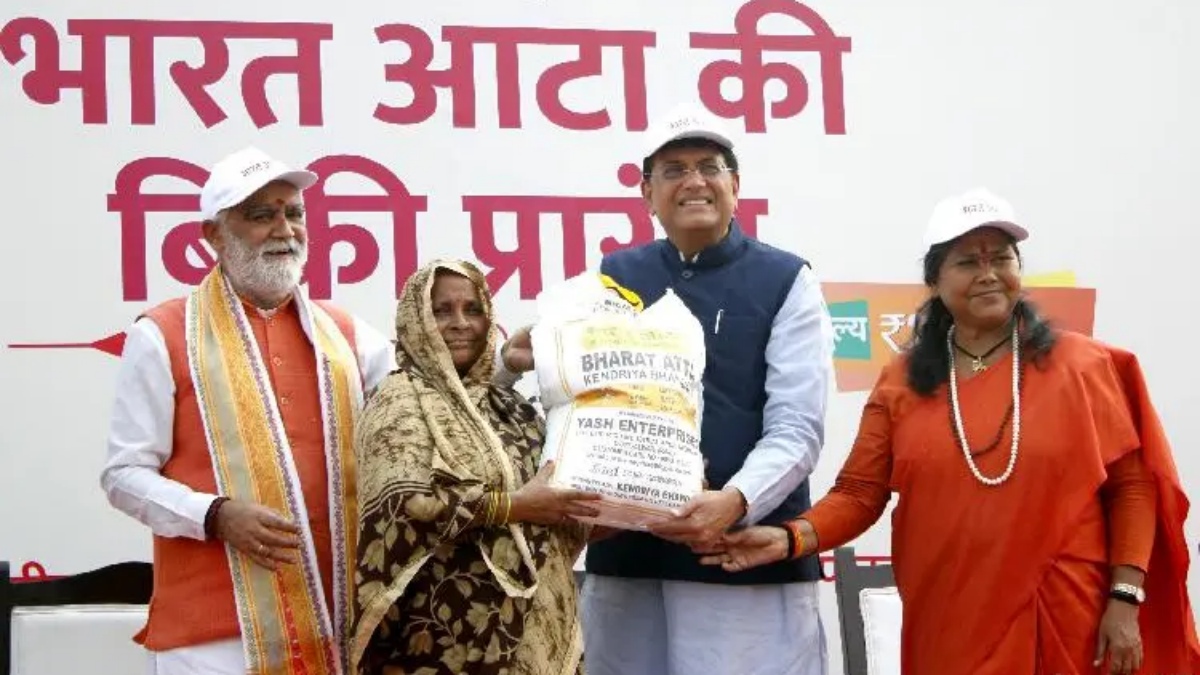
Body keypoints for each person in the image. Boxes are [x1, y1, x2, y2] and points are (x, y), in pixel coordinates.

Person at [703, 188, 1200, 675]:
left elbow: (1132, 487)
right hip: (950, 619)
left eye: (1001, 258)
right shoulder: (901, 382)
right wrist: (788, 539)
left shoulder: (1084, 365)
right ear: (935, 281)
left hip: (1066, 614)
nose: (988, 274)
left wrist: (1125, 598)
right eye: (967, 262)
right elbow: (859, 493)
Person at [100, 147, 522, 674]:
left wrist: (505, 368)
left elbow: (431, 408)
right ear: (214, 235)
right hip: (213, 634)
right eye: (262, 215)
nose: (284, 230)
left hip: (335, 620)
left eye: (294, 213)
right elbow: (124, 474)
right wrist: (214, 515)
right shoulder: (163, 335)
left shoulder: (345, 335)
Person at [531, 104, 833, 675]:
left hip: (738, 556)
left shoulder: (786, 279)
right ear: (648, 193)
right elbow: (580, 397)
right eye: (673, 170)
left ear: (735, 186)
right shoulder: (613, 276)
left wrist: (735, 501)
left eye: (709, 167)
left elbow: (797, 429)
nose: (694, 181)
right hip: (628, 558)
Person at [349, 259, 602, 675]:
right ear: (415, 320)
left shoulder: (511, 406)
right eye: (441, 311)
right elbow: (403, 505)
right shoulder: (398, 400)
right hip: (440, 637)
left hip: (536, 632)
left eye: (473, 309)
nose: (460, 323)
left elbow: (563, 486)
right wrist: (515, 507)